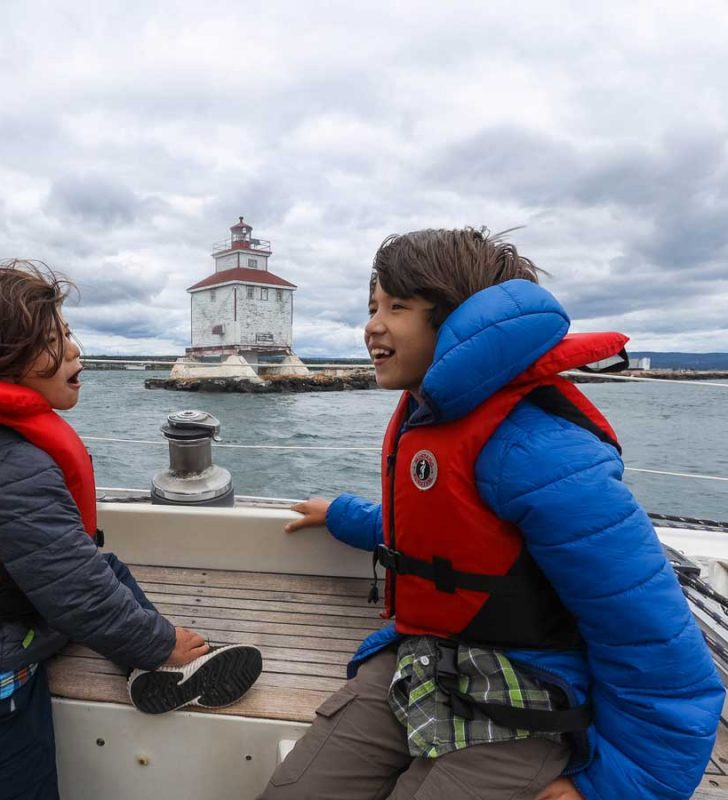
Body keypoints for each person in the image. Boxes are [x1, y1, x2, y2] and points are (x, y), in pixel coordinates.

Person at [261, 229, 723, 800]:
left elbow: (659, 653)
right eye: (372, 306)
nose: (372, 325)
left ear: (458, 322)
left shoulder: (541, 451)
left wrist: (608, 789)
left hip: (529, 692)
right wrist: (343, 515)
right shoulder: (435, 419)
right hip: (426, 661)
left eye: (396, 307)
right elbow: (440, 536)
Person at [0, 261, 261, 800]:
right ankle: (160, 658)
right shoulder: (4, 457)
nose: (74, 350)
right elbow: (70, 587)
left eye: (67, 333)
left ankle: (148, 668)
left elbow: (75, 572)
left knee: (103, 566)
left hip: (11, 617)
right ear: (1, 361)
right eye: (52, 340)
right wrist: (161, 641)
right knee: (18, 789)